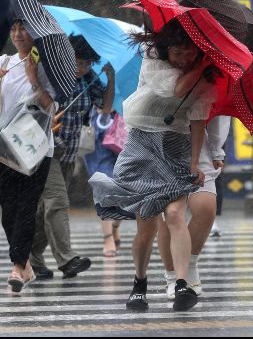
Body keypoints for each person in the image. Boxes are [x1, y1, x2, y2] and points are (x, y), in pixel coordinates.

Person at [89, 19, 216, 312]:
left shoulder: (206, 78)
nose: (184, 58)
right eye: (178, 52)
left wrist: (195, 162)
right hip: (142, 143)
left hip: (176, 146)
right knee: (146, 226)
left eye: (190, 53)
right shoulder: (152, 60)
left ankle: (181, 284)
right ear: (166, 48)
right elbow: (176, 90)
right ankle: (139, 282)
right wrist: (202, 65)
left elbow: (198, 121)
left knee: (175, 214)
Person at [0, 19, 58, 294]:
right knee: (9, 210)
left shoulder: (47, 67)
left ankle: (17, 266)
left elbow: (51, 108)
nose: (18, 34)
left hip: (36, 148)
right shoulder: (5, 61)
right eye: (13, 29)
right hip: (3, 146)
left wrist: (35, 78)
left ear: (34, 32)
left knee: (26, 207)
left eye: (23, 29)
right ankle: (25, 266)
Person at [30, 35, 114, 280]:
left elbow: (105, 107)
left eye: (88, 63)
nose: (83, 68)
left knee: (45, 208)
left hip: (68, 152)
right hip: (45, 150)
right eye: (79, 62)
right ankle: (67, 260)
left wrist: (110, 79)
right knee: (57, 202)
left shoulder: (88, 79)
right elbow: (34, 102)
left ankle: (30, 256)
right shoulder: (53, 76)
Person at [158, 116, 231, 299]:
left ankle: (189, 264)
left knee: (206, 208)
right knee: (171, 214)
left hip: (199, 145)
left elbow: (219, 116)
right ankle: (172, 275)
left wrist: (216, 151)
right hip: (162, 142)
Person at [83, 107, 123, 258]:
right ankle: (108, 237)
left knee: (123, 191)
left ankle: (115, 226)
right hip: (98, 131)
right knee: (104, 188)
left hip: (122, 128)